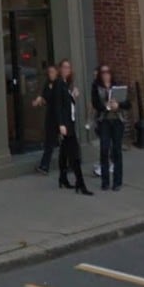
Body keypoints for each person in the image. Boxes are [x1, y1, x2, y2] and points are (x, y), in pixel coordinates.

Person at [55, 58, 93, 195]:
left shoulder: (66, 84)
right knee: (75, 154)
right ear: (60, 69)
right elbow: (58, 106)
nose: (67, 70)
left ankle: (63, 178)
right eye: (64, 67)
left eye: (69, 68)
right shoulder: (59, 84)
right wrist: (61, 124)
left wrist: (73, 96)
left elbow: (67, 104)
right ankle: (80, 184)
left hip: (69, 122)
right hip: (65, 124)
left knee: (64, 152)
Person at [91, 64, 130, 191]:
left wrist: (118, 105)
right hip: (104, 121)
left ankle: (117, 182)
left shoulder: (117, 86)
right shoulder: (96, 87)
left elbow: (128, 103)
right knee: (104, 149)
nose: (105, 74)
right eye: (103, 72)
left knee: (116, 150)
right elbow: (95, 104)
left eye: (107, 72)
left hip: (117, 120)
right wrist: (106, 106)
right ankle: (105, 181)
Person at [33, 64, 59, 174]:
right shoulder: (47, 84)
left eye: (52, 72)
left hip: (60, 115)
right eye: (49, 72)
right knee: (49, 141)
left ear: (57, 72)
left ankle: (72, 162)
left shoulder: (60, 84)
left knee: (67, 141)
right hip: (51, 115)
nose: (51, 74)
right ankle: (44, 166)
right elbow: (44, 97)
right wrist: (39, 101)